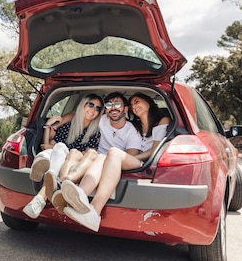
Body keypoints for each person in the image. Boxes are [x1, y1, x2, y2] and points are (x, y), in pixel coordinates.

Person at [61, 92, 171, 231]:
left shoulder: (160, 121)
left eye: (137, 102)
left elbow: (154, 151)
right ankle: (78, 197)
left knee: (112, 153)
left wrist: (113, 158)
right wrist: (56, 121)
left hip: (142, 162)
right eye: (132, 104)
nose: (134, 106)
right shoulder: (132, 124)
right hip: (113, 159)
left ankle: (95, 212)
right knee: (102, 156)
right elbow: (79, 114)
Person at [23, 94, 103, 219]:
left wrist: (62, 150)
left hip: (75, 163)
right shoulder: (69, 124)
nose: (93, 110)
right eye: (91, 105)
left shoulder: (95, 132)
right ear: (83, 105)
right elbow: (48, 144)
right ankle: (47, 170)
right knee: (59, 147)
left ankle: (40, 197)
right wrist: (48, 126)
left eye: (98, 108)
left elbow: (88, 155)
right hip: (60, 156)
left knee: (57, 152)